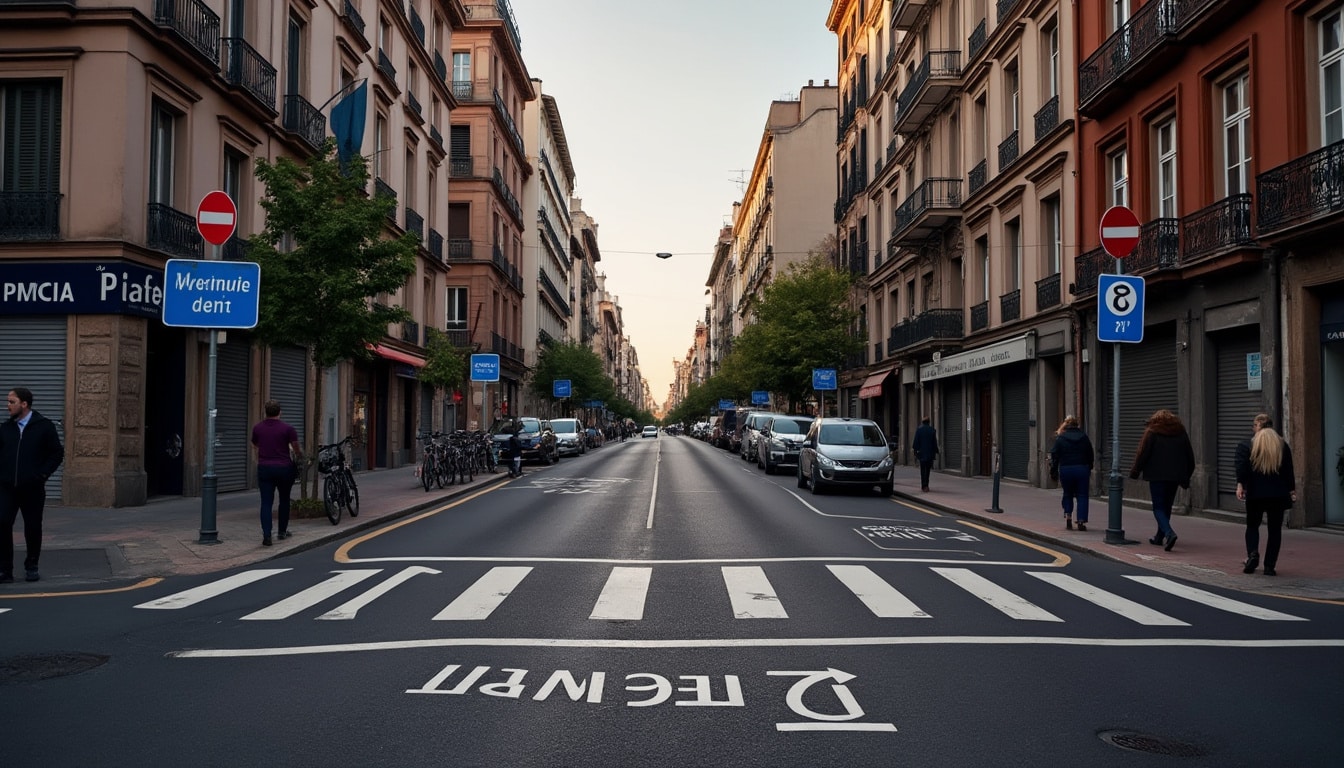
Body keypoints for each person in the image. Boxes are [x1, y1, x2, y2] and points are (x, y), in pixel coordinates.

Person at [0, 387, 65, 583]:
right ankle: (5, 569)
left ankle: (32, 565)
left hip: (32, 487)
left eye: (12, 402)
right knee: (2, 523)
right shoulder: (5, 429)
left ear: (24, 404)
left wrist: (42, 475)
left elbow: (56, 453)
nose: (7, 406)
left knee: (33, 526)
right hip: (7, 487)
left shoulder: (43, 426)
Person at [1235, 413, 1296, 576]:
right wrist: (1291, 490)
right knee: (1275, 530)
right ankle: (1270, 566)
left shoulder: (1246, 445)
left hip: (1255, 493)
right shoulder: (1282, 445)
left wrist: (1241, 484)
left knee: (1252, 525)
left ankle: (1253, 554)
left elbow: (1241, 468)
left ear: (1257, 426)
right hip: (1278, 494)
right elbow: (1288, 470)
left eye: (1254, 426)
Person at [1129, 408, 1195, 552]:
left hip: (1157, 476)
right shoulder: (1181, 432)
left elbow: (1143, 453)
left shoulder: (1152, 432)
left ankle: (1169, 533)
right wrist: (1186, 475)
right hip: (1175, 476)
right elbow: (1190, 456)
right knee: (1167, 506)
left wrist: (1135, 471)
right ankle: (1159, 537)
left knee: (1158, 507)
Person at [251, 400, 301, 547]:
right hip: (284, 468)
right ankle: (282, 531)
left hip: (265, 468)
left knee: (266, 502)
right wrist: (299, 457)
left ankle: (267, 535)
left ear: (265, 412)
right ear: (280, 412)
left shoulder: (258, 428)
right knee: (284, 499)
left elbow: (255, 444)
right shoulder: (288, 429)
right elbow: (296, 447)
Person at [1049, 416, 1095, 531]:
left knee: (1067, 493)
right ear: (1077, 425)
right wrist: (1089, 466)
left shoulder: (1061, 438)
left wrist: (1053, 469)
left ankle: (1068, 516)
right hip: (1082, 469)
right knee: (1082, 495)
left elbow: (1054, 454)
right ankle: (1081, 521)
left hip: (1066, 469)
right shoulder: (1084, 437)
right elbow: (1090, 454)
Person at [912, 417, 939, 492]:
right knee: (927, 470)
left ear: (922, 422)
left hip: (922, 453)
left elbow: (916, 442)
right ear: (929, 422)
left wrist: (915, 452)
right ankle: (926, 485)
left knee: (922, 470)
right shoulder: (932, 430)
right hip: (930, 454)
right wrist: (936, 451)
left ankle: (923, 485)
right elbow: (934, 442)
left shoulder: (919, 430)